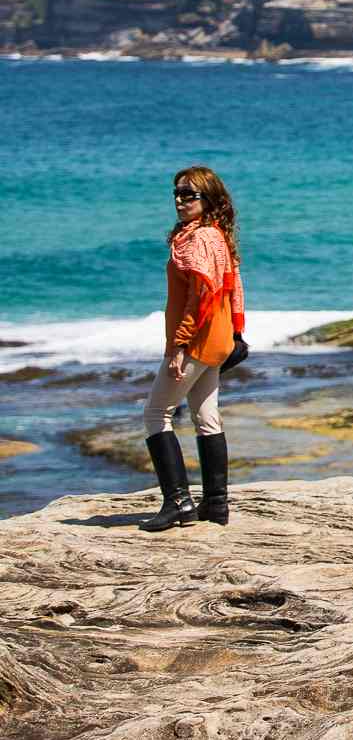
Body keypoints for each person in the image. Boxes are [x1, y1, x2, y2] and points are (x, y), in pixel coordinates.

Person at [142, 166, 246, 532]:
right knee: (207, 417)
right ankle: (216, 505)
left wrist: (179, 345)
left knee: (156, 413)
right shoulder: (217, 235)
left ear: (208, 199)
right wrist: (237, 332)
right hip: (218, 339)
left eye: (190, 194)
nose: (180, 200)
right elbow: (234, 288)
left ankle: (179, 503)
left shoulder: (199, 240)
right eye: (177, 193)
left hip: (198, 341)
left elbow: (200, 299)